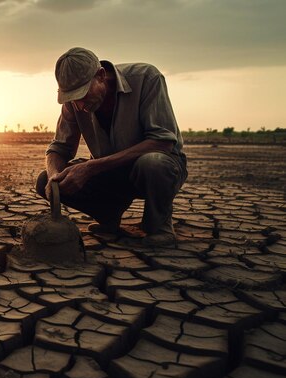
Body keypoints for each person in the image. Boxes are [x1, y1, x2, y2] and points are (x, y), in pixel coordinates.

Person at [37, 47, 187, 246]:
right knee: (44, 180)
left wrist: (91, 167)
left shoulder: (146, 78)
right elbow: (58, 148)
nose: (80, 105)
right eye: (72, 98)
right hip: (111, 173)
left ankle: (159, 226)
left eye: (82, 94)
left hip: (156, 170)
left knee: (153, 163)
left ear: (100, 75)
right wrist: (54, 177)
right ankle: (109, 215)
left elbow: (162, 142)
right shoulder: (74, 103)